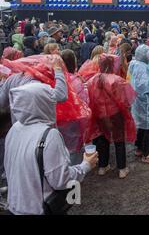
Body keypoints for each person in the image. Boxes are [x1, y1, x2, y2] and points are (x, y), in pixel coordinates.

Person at [4, 82, 98, 215]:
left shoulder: (15, 129)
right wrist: (86, 165)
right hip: (40, 208)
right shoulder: (49, 135)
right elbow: (61, 180)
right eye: (51, 101)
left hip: (15, 206)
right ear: (43, 104)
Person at [85, 54, 136, 179]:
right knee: (119, 139)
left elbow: (89, 98)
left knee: (102, 138)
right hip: (115, 114)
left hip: (99, 114)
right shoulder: (117, 80)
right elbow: (126, 98)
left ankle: (103, 166)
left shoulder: (92, 80)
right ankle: (122, 169)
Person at [128, 45, 149, 164]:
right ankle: (146, 153)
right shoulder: (142, 67)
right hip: (146, 101)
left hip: (139, 101)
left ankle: (139, 148)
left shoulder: (135, 64)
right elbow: (145, 86)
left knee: (142, 125)